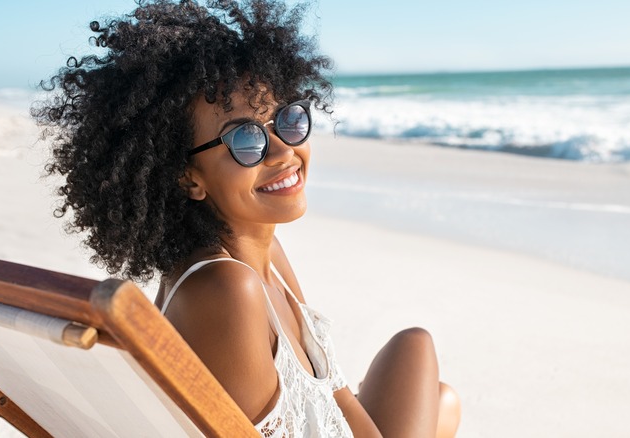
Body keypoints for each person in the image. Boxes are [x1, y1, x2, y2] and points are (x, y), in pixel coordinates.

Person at [34, 1, 461, 436]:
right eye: (244, 137)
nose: (282, 151)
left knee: (421, 357)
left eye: (286, 120)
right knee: (437, 400)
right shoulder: (225, 289)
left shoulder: (266, 251)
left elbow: (335, 392)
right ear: (188, 177)